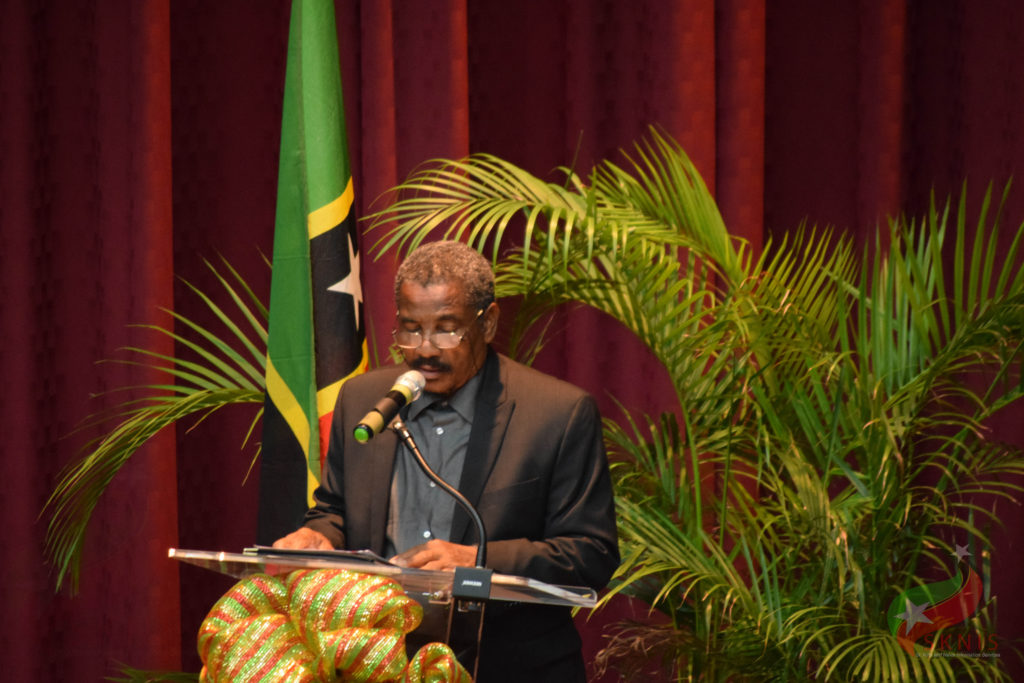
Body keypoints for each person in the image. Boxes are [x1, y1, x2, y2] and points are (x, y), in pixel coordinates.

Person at [274, 240, 619, 682]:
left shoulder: (557, 413)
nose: (424, 350)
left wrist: (477, 560)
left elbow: (591, 555)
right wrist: (318, 536)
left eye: (446, 329)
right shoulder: (363, 402)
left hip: (506, 667)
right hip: (379, 665)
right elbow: (336, 511)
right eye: (410, 329)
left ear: (489, 322)